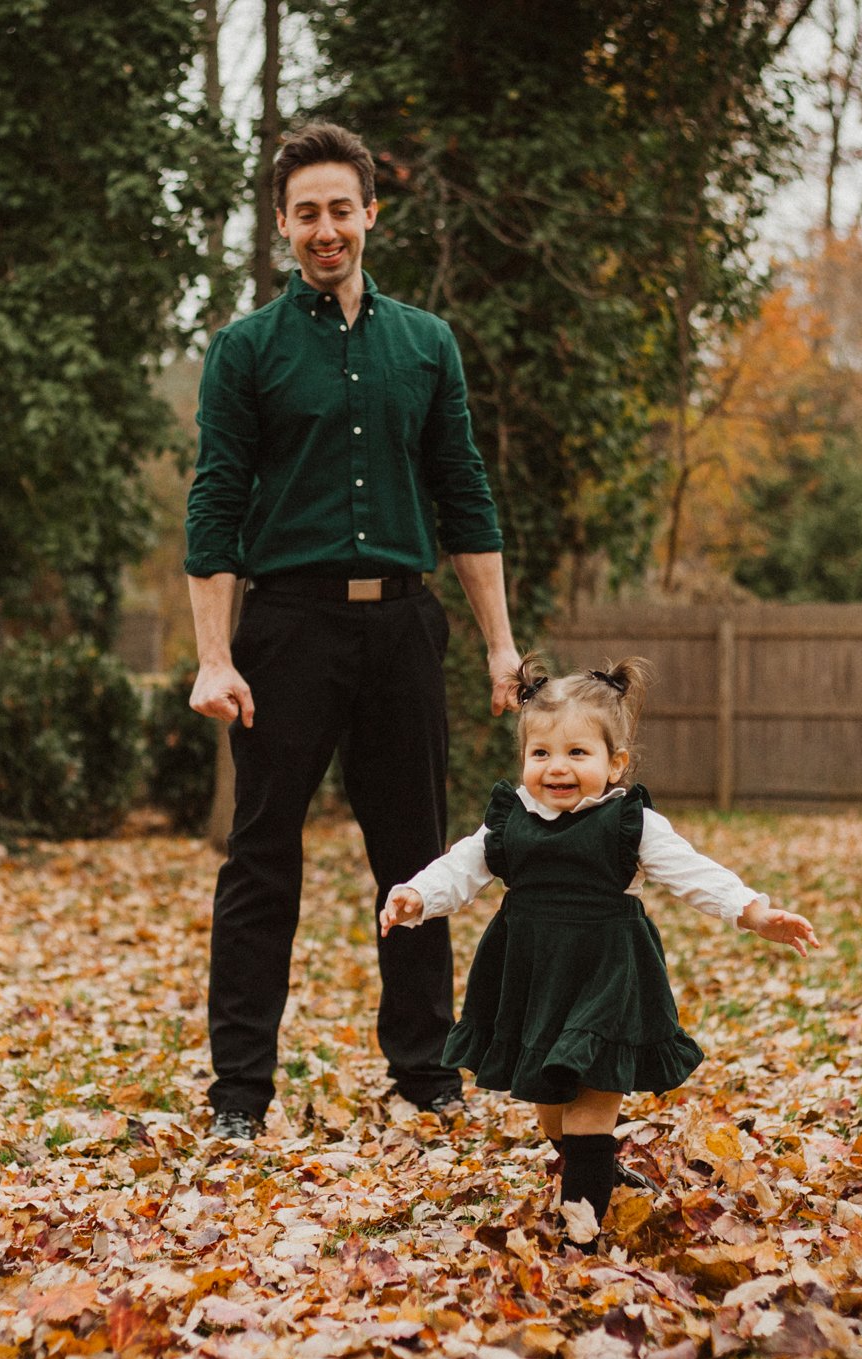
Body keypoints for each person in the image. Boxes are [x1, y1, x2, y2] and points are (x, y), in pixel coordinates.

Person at [185, 121, 520, 1140]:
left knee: (414, 859)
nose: (324, 229)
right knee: (260, 860)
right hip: (284, 631)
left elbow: (463, 495)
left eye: (340, 209)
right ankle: (239, 1090)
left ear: (369, 214)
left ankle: (424, 1072)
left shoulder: (424, 343)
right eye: (305, 213)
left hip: (402, 631)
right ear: (281, 225)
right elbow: (214, 504)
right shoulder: (244, 351)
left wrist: (499, 643)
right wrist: (213, 655)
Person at [379, 656, 817, 1247]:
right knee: (552, 1107)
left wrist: (754, 912)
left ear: (615, 764)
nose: (557, 768)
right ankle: (596, 1166)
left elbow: (694, 873)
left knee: (590, 1100)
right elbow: (461, 867)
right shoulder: (509, 819)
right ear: (524, 760)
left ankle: (580, 1228)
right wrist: (416, 895)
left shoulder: (630, 823)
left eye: (577, 754)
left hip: (608, 973)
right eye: (541, 755)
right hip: (531, 973)